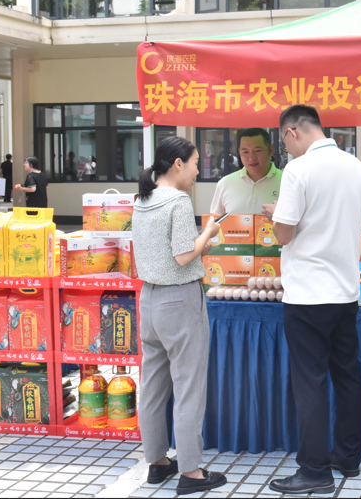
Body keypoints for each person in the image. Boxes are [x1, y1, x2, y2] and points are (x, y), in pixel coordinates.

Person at [265, 105, 361, 496]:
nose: (286, 150)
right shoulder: (356, 166)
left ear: (292, 132)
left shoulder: (298, 170)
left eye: (284, 142)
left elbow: (284, 234)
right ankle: (347, 458)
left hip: (308, 295)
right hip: (345, 292)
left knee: (310, 382)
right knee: (347, 376)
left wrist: (276, 214)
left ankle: (313, 471)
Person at [133, 136, 227, 496]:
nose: (197, 171)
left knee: (153, 386)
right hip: (180, 301)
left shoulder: (142, 199)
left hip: (149, 298)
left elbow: (167, 252)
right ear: (177, 164)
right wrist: (209, 232)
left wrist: (200, 241)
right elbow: (184, 256)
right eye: (195, 163)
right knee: (188, 387)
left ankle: (157, 462)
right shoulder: (178, 201)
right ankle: (191, 471)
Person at [209, 128, 281, 216]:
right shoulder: (225, 183)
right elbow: (215, 221)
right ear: (239, 152)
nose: (251, 158)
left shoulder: (286, 181)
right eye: (245, 152)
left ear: (271, 150)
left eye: (257, 151)